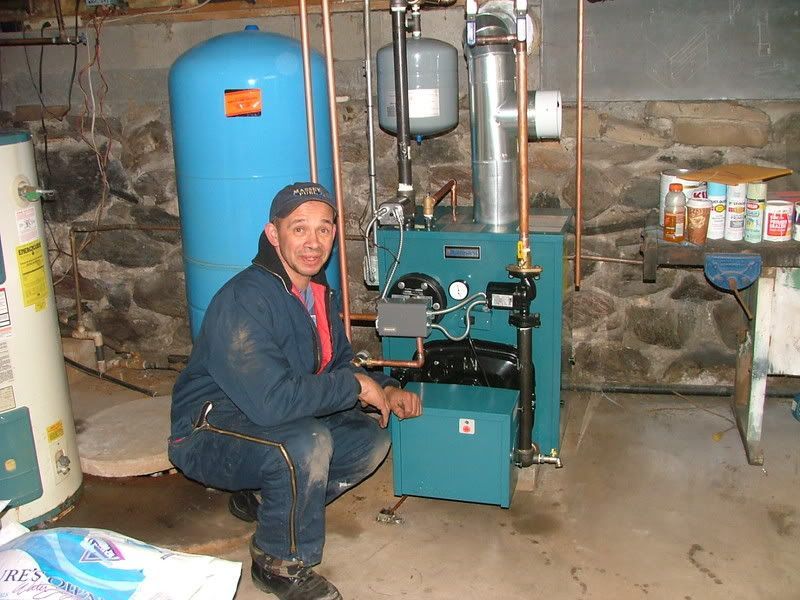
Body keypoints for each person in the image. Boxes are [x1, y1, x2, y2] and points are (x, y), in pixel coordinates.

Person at [168, 182, 421, 600]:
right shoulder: (245, 300)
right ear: (274, 234)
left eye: (324, 229)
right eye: (299, 229)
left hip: (262, 419)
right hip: (208, 429)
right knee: (306, 443)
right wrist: (353, 385)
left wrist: (386, 388)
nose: (313, 242)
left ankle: (264, 501)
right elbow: (273, 402)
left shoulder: (317, 292)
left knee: (368, 440)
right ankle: (277, 563)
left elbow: (338, 364)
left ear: (335, 235)